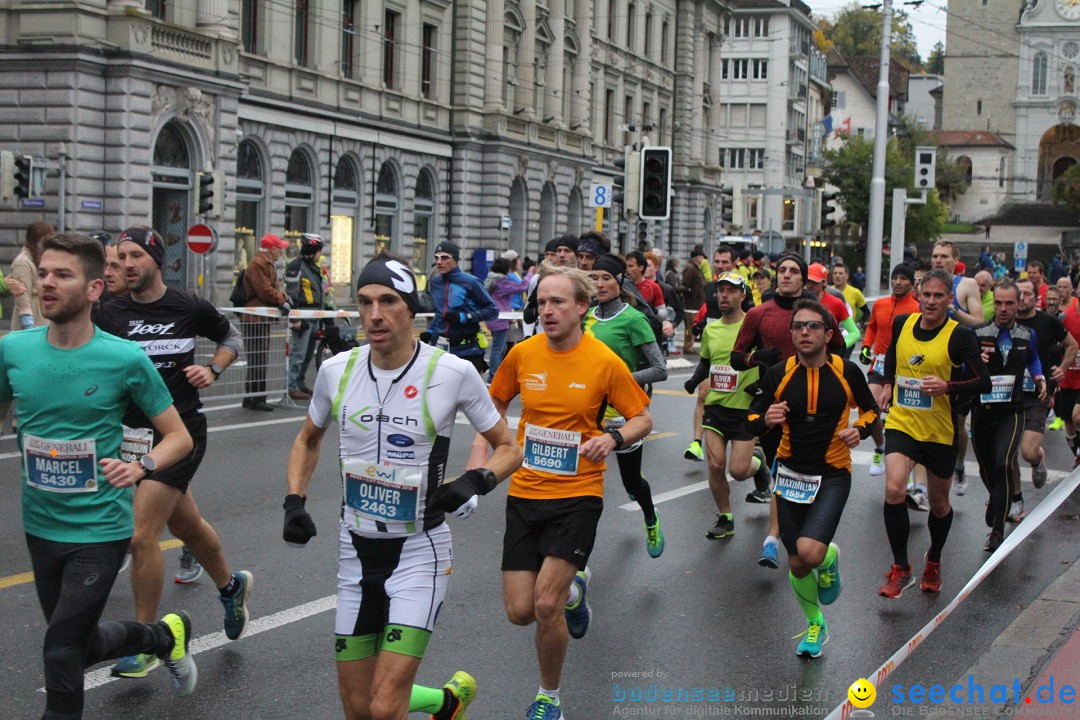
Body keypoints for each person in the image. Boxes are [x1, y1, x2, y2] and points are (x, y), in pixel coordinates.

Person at [281, 254, 521, 720]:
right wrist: (295, 501)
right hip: (355, 552)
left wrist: (475, 480)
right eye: (365, 302)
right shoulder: (336, 371)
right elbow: (307, 440)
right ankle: (447, 703)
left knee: (386, 704)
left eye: (388, 301)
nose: (374, 314)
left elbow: (508, 446)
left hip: (419, 553)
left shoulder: (451, 372)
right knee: (358, 708)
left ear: (411, 309)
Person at [6, 232, 197, 719]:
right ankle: (162, 635)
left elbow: (179, 437)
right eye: (44, 273)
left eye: (62, 275)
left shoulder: (124, 358)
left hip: (100, 529)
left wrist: (140, 465)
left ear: (94, 289)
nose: (46, 283)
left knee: (60, 652)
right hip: (40, 525)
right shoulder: (14, 351)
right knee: (79, 645)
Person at [472, 263, 653, 720]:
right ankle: (576, 594)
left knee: (545, 604)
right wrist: (481, 464)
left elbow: (642, 418)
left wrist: (612, 438)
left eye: (557, 302)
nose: (546, 311)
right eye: (542, 303)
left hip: (578, 494)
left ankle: (549, 696)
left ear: (582, 307)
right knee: (519, 611)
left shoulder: (604, 362)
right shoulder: (524, 354)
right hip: (527, 491)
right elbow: (493, 403)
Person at [98, 226, 253, 678]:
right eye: (120, 257)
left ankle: (145, 640)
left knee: (141, 534)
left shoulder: (187, 306)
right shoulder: (109, 311)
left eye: (135, 257)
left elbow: (232, 338)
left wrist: (213, 368)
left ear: (157, 261)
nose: (126, 265)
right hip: (131, 438)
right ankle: (231, 586)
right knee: (186, 524)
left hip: (181, 433)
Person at [747, 299, 879, 658]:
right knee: (796, 561)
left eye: (813, 326)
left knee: (811, 551)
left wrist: (860, 432)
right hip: (790, 473)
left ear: (829, 334)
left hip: (833, 473)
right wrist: (766, 420)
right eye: (798, 326)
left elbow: (871, 411)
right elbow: (750, 418)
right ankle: (815, 623)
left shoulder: (847, 371)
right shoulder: (778, 373)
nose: (805, 332)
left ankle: (829, 557)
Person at [876, 268, 991, 599]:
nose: (930, 301)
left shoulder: (959, 335)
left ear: (949, 299)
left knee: (940, 504)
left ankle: (934, 560)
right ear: (918, 294)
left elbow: (983, 380)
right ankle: (902, 568)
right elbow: (890, 359)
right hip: (902, 421)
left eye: (939, 295)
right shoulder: (903, 324)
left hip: (939, 431)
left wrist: (948, 387)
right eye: (926, 294)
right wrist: (886, 385)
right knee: (895, 489)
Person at [731, 254, 845, 568]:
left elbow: (841, 354)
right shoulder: (758, 313)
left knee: (804, 474)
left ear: (803, 278)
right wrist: (757, 359)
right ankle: (783, 539)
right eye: (782, 270)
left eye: (794, 271)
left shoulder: (818, 313)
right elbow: (736, 357)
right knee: (784, 473)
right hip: (774, 405)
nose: (786, 275)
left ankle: (785, 538)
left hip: (813, 407)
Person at [585, 254, 668, 556]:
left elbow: (660, 370)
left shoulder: (633, 319)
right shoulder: (585, 317)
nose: (600, 283)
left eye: (607, 277)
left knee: (632, 483)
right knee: (581, 487)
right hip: (587, 415)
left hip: (622, 416)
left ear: (620, 281)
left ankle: (650, 517)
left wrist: (618, 380)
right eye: (595, 277)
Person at [681, 272, 772, 539]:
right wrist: (694, 380)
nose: (724, 295)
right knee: (716, 465)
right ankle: (725, 517)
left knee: (739, 471)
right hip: (716, 409)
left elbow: (768, 360)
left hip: (744, 410)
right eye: (720, 290)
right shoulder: (711, 329)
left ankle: (759, 466)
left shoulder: (754, 325)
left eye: (731, 291)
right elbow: (707, 363)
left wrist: (761, 388)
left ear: (742, 295)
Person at [972, 280, 1045, 553]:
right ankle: (996, 497)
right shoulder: (978, 333)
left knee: (1004, 463)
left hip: (1011, 412)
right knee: (986, 467)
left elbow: (1033, 359)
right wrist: (973, 360)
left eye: (1009, 303)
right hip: (983, 412)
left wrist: (1038, 376)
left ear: (1019, 304)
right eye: (999, 303)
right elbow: (962, 366)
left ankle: (997, 531)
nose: (1003, 309)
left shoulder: (1027, 335)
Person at [1011, 277, 1076, 509]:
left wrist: (1062, 369)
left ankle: (1037, 460)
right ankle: (1016, 498)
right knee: (1006, 454)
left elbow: (1072, 345)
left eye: (1028, 294)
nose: (1022, 298)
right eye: (1019, 294)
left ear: (1036, 297)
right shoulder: (1003, 322)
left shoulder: (1048, 322)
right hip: (1006, 395)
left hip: (1037, 394)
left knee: (1027, 451)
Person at [859, 265, 921, 477]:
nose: (897, 282)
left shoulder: (917, 307)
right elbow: (872, 326)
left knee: (907, 416)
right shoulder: (881, 303)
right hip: (880, 362)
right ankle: (880, 447)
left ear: (912, 283)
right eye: (895, 278)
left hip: (906, 366)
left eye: (903, 278)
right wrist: (867, 345)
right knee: (869, 406)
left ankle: (909, 469)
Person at [426, 240, 499, 376]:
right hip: (442, 350)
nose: (439, 262)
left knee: (468, 396)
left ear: (455, 259)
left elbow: (493, 311)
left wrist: (465, 317)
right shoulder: (435, 283)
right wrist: (430, 332)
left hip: (469, 350)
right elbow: (440, 313)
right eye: (436, 257)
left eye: (444, 257)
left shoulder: (470, 282)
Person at [241, 233, 291, 411]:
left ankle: (252, 397)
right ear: (273, 249)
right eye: (280, 249)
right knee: (258, 358)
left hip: (259, 317)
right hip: (255, 318)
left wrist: (281, 298)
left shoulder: (264, 263)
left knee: (258, 358)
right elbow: (264, 291)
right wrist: (283, 298)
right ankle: (256, 398)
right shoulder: (259, 263)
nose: (281, 253)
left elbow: (269, 290)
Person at [285, 233, 328, 400]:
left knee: (308, 354)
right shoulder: (296, 266)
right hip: (303, 315)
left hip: (314, 315)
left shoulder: (312, 267)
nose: (320, 255)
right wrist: (295, 319)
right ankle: (292, 386)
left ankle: (300, 383)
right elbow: (291, 294)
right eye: (319, 251)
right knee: (298, 353)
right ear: (312, 250)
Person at [486, 256, 534, 382]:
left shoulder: (491, 279)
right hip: (500, 319)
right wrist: (529, 275)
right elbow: (520, 288)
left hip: (494, 318)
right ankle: (493, 376)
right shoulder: (501, 282)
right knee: (498, 349)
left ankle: (495, 374)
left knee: (500, 348)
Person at [806, 263, 860, 356]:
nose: (810, 285)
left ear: (824, 283)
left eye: (814, 282)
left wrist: (840, 348)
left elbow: (855, 333)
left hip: (828, 360)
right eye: (808, 281)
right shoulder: (799, 302)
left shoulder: (836, 303)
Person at [11, 220, 50, 330]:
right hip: (31, 317)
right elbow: (22, 294)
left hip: (41, 315)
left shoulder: (38, 258)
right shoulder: (22, 262)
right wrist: (28, 323)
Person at [681, 249, 706, 354]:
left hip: (696, 303)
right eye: (702, 257)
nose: (703, 259)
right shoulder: (690, 268)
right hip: (691, 303)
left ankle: (690, 345)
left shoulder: (695, 268)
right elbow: (686, 284)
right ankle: (687, 346)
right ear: (697, 257)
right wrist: (693, 293)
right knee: (690, 326)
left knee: (693, 325)